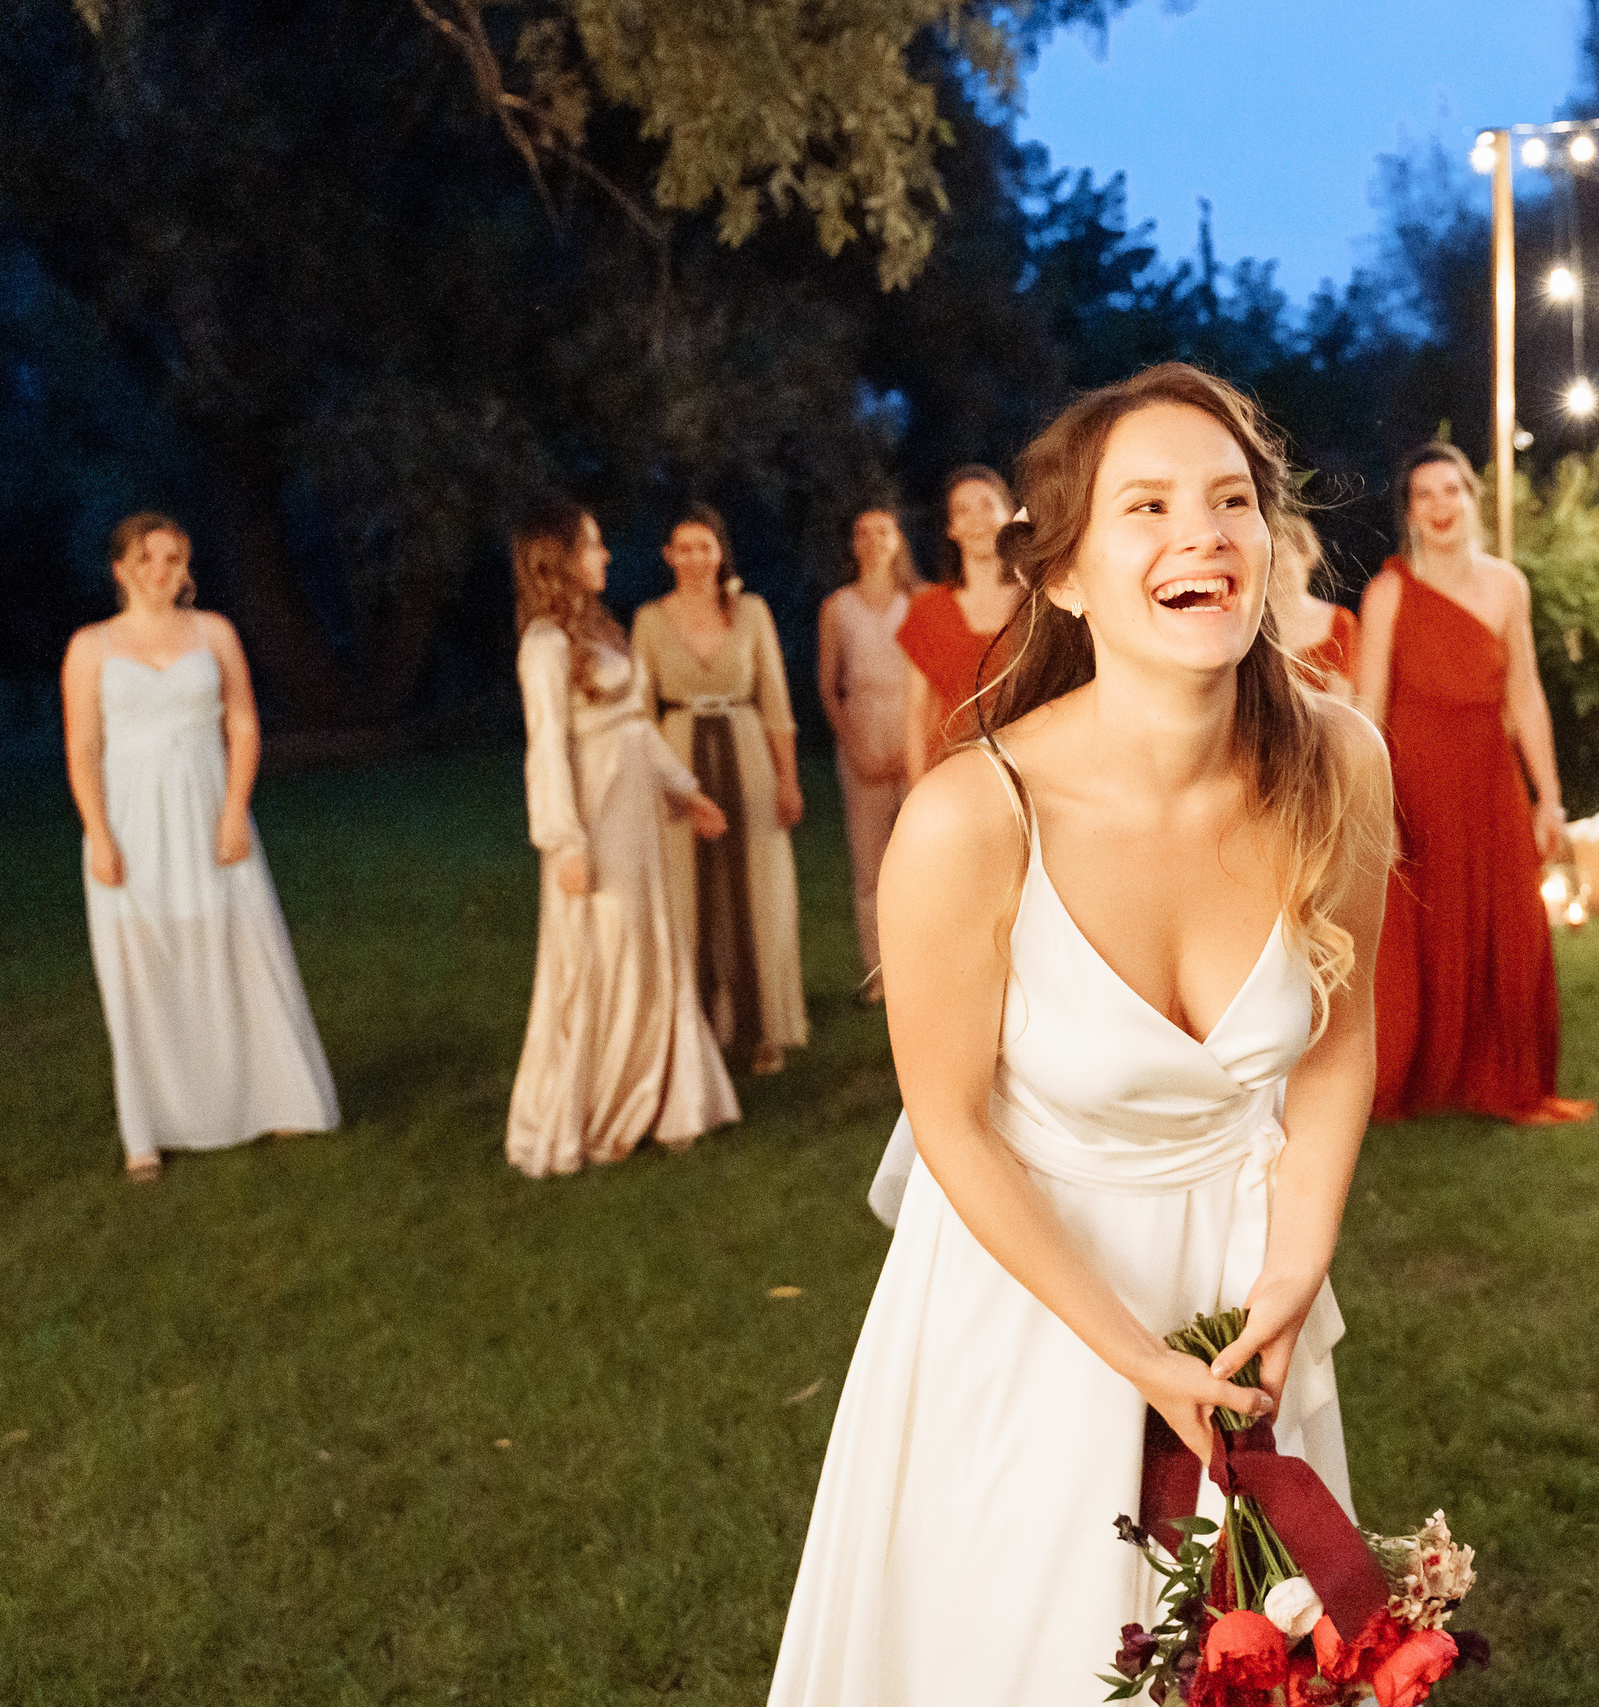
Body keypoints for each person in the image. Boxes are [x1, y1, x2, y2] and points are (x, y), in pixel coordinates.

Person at [770, 363, 1395, 1706]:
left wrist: (1297, 1257)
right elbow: (946, 1119)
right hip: (1027, 1312)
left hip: (1243, 1305)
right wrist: (1132, 1357)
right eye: (1149, 504)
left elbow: (1342, 1034)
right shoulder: (971, 816)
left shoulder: (1339, 760)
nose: (1203, 534)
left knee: (1258, 1656)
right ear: (1061, 575)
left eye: (1232, 500)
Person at [59, 512, 338, 1181]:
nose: (164, 571)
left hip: (208, 807)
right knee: (142, 967)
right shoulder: (91, 646)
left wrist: (235, 808)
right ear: (122, 568)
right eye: (150, 558)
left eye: (176, 558)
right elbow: (83, 746)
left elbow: (242, 723)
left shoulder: (214, 632)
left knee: (236, 946)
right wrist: (99, 833)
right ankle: (150, 1127)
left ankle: (273, 1096)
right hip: (131, 819)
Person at [1355, 444, 1594, 1126]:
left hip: (1490, 779)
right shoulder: (1389, 591)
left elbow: (1526, 694)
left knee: (1508, 925)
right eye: (1424, 495)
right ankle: (1424, 1071)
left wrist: (1549, 796)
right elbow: (1368, 712)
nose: (1439, 507)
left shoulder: (1507, 585)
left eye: (1451, 491)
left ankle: (1504, 1075)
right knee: (1422, 935)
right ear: (1409, 512)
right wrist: (1378, 807)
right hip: (1415, 782)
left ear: (1471, 499)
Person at [507, 496, 739, 1175]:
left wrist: (686, 790)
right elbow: (546, 747)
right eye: (591, 546)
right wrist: (563, 841)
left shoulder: (600, 630)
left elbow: (636, 727)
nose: (605, 556)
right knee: (604, 950)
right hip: (594, 820)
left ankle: (663, 1093)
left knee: (647, 940)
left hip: (636, 813)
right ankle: (601, 1104)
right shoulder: (544, 646)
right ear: (559, 559)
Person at [631, 505, 809, 1075]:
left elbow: (777, 702)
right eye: (682, 548)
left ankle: (765, 1026)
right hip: (680, 750)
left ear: (720, 552)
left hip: (746, 749)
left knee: (760, 887)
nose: (694, 558)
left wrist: (788, 779)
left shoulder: (750, 611)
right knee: (687, 890)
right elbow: (637, 714)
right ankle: (699, 1025)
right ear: (668, 556)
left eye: (704, 546)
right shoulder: (650, 621)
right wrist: (656, 784)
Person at [816, 505, 919, 1002]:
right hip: (863, 728)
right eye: (863, 533)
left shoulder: (919, 600)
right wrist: (853, 746)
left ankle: (928, 963)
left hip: (914, 725)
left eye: (883, 531)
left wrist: (917, 747)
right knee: (870, 861)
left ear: (898, 539)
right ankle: (878, 972)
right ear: (853, 544)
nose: (873, 540)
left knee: (922, 857)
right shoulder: (839, 606)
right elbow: (828, 685)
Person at [895, 465, 1021, 782]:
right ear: (951, 528)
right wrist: (917, 792)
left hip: (1031, 771)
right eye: (962, 510)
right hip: (954, 775)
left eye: (987, 505)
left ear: (1009, 515)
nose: (977, 519)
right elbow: (916, 714)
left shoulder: (1039, 603)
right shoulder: (928, 610)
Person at [1271, 509, 1359, 699]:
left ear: (1307, 557)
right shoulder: (1251, 624)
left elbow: (1342, 702)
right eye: (1270, 558)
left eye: (1284, 555)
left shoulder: (1340, 621)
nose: (1277, 566)